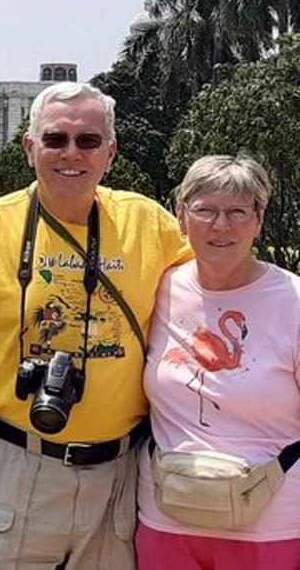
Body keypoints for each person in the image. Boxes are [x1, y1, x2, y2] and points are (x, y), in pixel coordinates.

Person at [0, 81, 189, 569]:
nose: (71, 154)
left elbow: (214, 295)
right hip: (13, 470)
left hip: (118, 483)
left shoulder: (150, 225)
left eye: (87, 141)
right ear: (29, 148)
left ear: (110, 152)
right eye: (55, 139)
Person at [136, 155, 300, 567]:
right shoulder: (156, 289)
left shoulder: (293, 301)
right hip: (169, 513)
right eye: (205, 210)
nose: (220, 226)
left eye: (237, 212)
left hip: (272, 521)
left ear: (258, 219)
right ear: (181, 215)